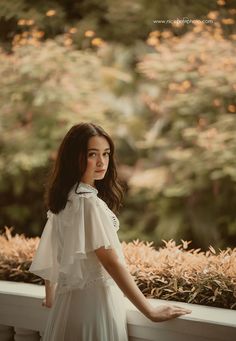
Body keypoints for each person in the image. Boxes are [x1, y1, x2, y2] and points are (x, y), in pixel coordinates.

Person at [29, 122, 191, 341]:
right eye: (92, 154)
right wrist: (150, 311)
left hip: (66, 310)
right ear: (73, 157)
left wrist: (51, 297)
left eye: (106, 154)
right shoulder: (88, 203)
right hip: (94, 309)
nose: (101, 162)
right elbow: (111, 262)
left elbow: (54, 251)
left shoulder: (65, 200)